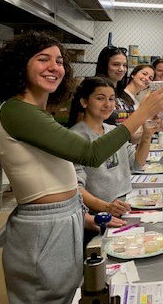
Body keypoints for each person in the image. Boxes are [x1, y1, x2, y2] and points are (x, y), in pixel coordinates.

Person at [0, 31, 163, 304]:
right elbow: (90, 153)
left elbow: (58, 181)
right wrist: (141, 114)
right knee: (45, 298)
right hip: (44, 231)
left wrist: (83, 218)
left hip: (63, 220)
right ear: (20, 64)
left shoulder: (34, 113)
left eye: (59, 61)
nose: (54, 67)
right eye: (43, 59)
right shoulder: (16, 110)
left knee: (67, 294)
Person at [68, 77, 158, 220]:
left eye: (111, 99)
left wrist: (147, 135)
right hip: (100, 214)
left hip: (127, 205)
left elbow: (136, 163)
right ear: (84, 102)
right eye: (100, 98)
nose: (107, 104)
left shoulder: (113, 131)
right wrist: (106, 207)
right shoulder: (75, 137)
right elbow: (75, 189)